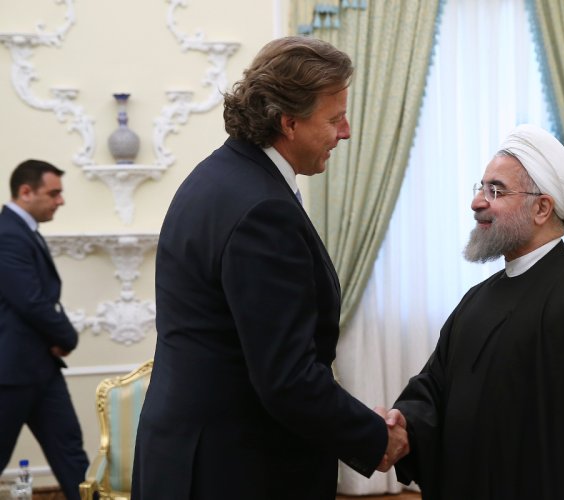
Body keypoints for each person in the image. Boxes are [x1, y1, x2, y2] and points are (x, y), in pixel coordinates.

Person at [131, 36, 408, 500]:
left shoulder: (215, 176)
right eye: (334, 119)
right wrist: (374, 436)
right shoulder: (264, 210)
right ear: (289, 122)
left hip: (188, 457)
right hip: (235, 469)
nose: (346, 132)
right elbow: (286, 377)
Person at [388, 124, 564, 499]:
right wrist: (403, 424)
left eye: (495, 190)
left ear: (542, 208)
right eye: (480, 187)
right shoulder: (477, 300)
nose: (477, 202)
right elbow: (436, 387)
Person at [0, 159, 89, 500]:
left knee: (71, 454)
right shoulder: (8, 233)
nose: (60, 201)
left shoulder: (22, 231)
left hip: (41, 370)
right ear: (26, 192)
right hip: (11, 373)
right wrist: (67, 337)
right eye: (53, 193)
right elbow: (31, 301)